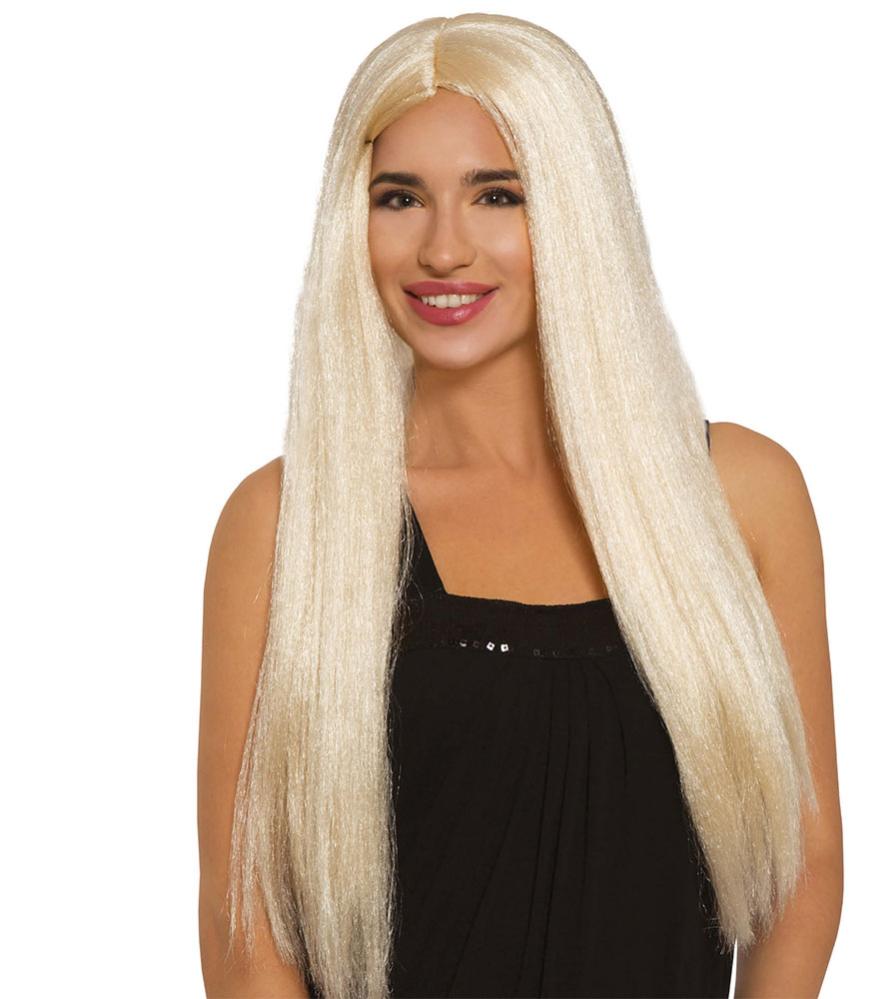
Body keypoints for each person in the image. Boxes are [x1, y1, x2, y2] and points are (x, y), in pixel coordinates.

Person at [198, 13, 843, 999]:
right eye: (399, 198)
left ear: (576, 209)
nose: (443, 249)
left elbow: (801, 868)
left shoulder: (740, 496)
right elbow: (248, 929)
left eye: (497, 194)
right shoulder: (287, 526)